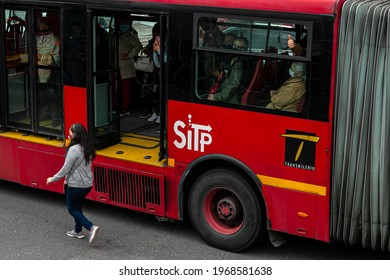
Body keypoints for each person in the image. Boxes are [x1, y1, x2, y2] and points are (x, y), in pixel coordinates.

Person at [46, 123, 99, 244]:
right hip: (87, 184)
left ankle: (91, 227)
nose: (68, 134)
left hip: (76, 184)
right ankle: (77, 231)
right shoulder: (88, 146)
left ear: (75, 135)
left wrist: (52, 179)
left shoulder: (74, 149)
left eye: (70, 132)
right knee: (77, 206)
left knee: (71, 209)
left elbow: (65, 169)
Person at [207, 36, 249, 103]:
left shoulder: (240, 63)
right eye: (234, 45)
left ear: (245, 49)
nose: (235, 49)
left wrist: (216, 97)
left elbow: (233, 85)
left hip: (232, 99)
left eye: (239, 47)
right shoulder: (233, 59)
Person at [36, 21, 61, 127]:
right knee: (42, 96)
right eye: (40, 28)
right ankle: (45, 114)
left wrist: (40, 57)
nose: (42, 30)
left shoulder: (54, 40)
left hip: (51, 74)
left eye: (44, 27)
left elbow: (55, 59)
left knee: (53, 97)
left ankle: (56, 118)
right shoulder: (38, 38)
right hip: (39, 73)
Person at [118, 17, 142, 115]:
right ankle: (120, 106)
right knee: (120, 87)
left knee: (126, 88)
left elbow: (139, 46)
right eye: (122, 23)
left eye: (125, 23)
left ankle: (126, 108)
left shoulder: (130, 35)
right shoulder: (118, 34)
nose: (123, 25)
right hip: (118, 65)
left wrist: (129, 56)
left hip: (126, 65)